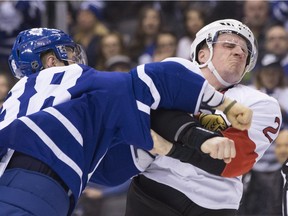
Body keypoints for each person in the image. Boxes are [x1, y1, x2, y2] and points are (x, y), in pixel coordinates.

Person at [0, 27, 251, 216]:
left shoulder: (14, 100)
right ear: (50, 61)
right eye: (67, 52)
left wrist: (157, 148)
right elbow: (155, 79)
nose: (75, 58)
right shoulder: (70, 77)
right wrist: (224, 104)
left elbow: (105, 169)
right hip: (35, 189)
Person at [125, 19, 282, 216]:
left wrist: (172, 147)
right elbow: (148, 117)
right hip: (154, 190)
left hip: (214, 204)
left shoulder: (260, 103)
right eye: (229, 45)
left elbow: (233, 162)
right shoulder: (175, 69)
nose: (240, 52)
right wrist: (203, 140)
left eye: (245, 51)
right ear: (202, 53)